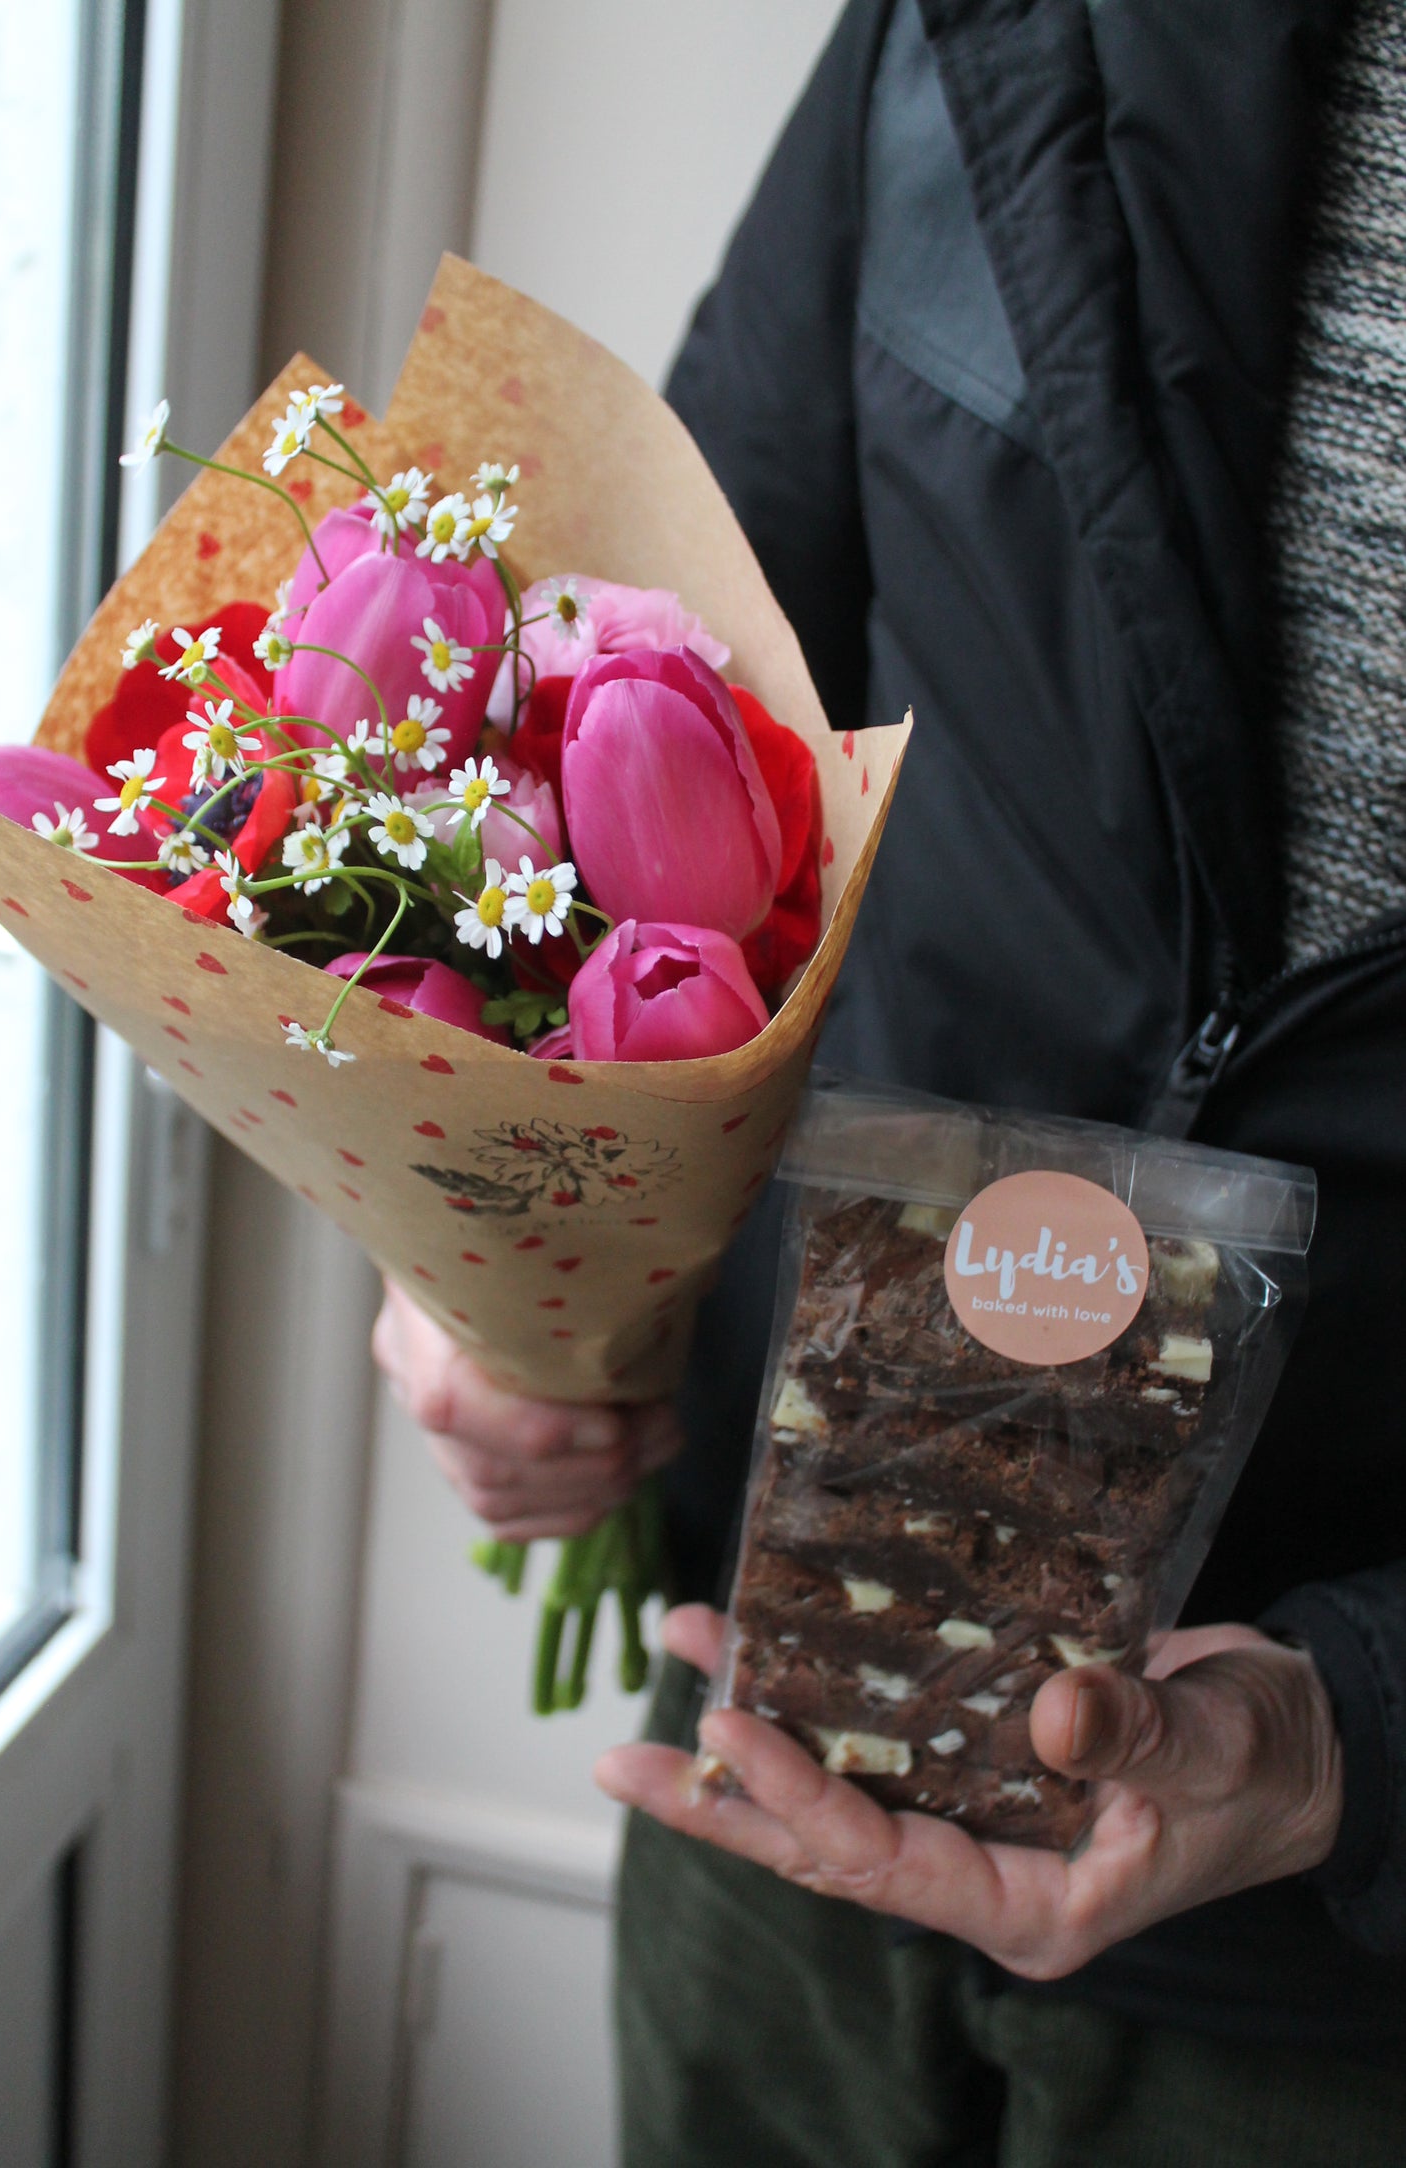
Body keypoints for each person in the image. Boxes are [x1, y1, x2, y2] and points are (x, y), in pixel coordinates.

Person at [373, 0, 1406, 2158]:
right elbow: (657, 669)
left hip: (1326, 1977)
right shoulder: (996, 22)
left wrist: (1352, 1740)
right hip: (776, 1715)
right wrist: (505, 1261)